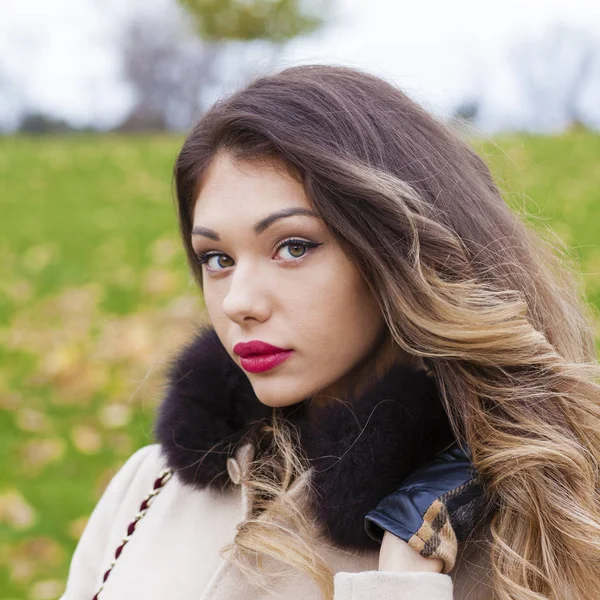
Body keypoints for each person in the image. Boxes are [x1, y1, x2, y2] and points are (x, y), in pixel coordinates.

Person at [60, 64, 600, 600]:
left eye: (294, 246)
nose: (239, 302)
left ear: (400, 256)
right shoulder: (148, 487)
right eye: (217, 258)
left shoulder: (530, 534)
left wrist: (403, 575)